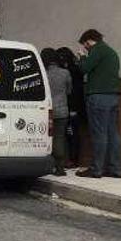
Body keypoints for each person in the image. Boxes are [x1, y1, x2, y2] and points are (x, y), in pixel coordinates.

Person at [75, 29, 121, 179]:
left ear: (88, 41)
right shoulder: (112, 52)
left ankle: (97, 169)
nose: (85, 48)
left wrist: (82, 57)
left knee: (99, 133)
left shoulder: (97, 50)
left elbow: (84, 69)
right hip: (113, 96)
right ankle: (115, 169)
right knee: (113, 133)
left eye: (85, 45)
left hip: (98, 96)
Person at [42, 48, 72, 176]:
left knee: (46, 137)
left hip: (45, 110)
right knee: (60, 137)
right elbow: (69, 91)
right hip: (62, 110)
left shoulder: (43, 73)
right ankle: (60, 166)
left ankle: (50, 164)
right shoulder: (65, 73)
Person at [57, 47, 85, 166]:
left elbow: (73, 91)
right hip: (73, 106)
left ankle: (73, 160)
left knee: (72, 133)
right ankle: (72, 159)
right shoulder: (73, 69)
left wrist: (73, 108)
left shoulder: (71, 71)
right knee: (71, 133)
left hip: (72, 107)